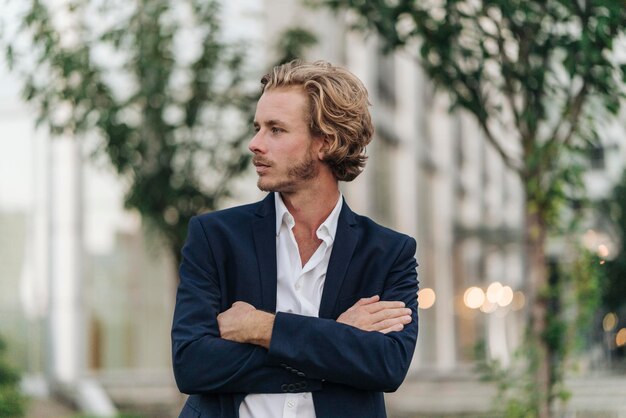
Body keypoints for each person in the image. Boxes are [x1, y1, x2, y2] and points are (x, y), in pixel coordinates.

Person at [171, 60, 419, 418]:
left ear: (325, 142)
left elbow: (387, 365)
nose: (254, 144)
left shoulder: (389, 253)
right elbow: (192, 364)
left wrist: (262, 327)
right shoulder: (214, 238)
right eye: (257, 127)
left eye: (276, 130)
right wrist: (335, 338)